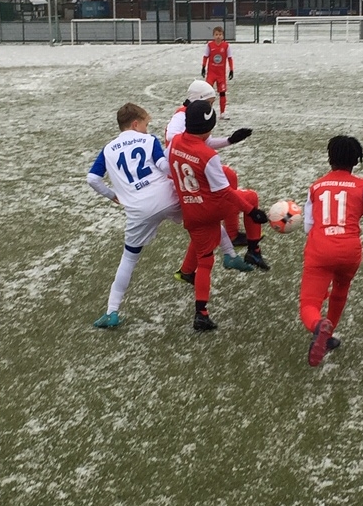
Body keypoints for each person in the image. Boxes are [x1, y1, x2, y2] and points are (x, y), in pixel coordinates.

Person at [299, 135, 363, 366]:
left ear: (330, 159)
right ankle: (328, 336)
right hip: (350, 250)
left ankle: (319, 325)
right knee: (340, 289)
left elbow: (308, 227)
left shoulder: (315, 187)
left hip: (320, 249)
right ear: (356, 161)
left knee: (309, 304)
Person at [169, 99, 269, 331]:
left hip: (191, 211)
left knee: (205, 261)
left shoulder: (175, 142)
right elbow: (224, 192)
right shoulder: (207, 156)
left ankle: (201, 313)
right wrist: (251, 211)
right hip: (212, 207)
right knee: (251, 197)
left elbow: (186, 151)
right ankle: (253, 250)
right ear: (209, 125)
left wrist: (230, 140)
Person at [86, 103, 183, 329]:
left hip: (138, 210)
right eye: (146, 124)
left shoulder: (108, 149)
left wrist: (113, 196)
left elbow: (92, 179)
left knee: (129, 258)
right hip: (166, 197)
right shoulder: (149, 140)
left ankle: (112, 312)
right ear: (136, 124)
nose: (148, 128)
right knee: (202, 222)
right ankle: (230, 251)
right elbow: (165, 167)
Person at [168, 79, 255, 271]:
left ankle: (231, 236)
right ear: (198, 100)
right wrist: (191, 148)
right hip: (184, 173)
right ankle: (235, 244)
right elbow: (173, 138)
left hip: (189, 166)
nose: (210, 108)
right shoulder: (182, 116)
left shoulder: (194, 117)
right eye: (209, 103)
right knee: (210, 217)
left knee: (229, 177)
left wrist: (230, 140)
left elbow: (200, 142)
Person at [200, 25, 234, 114]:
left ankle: (222, 113)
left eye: (220, 34)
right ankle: (208, 112)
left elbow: (230, 58)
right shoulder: (210, 45)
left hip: (221, 75)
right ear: (213, 36)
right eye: (216, 34)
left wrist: (231, 70)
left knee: (222, 93)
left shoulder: (226, 46)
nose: (218, 36)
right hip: (211, 73)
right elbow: (205, 56)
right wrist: (203, 67)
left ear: (223, 36)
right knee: (208, 93)